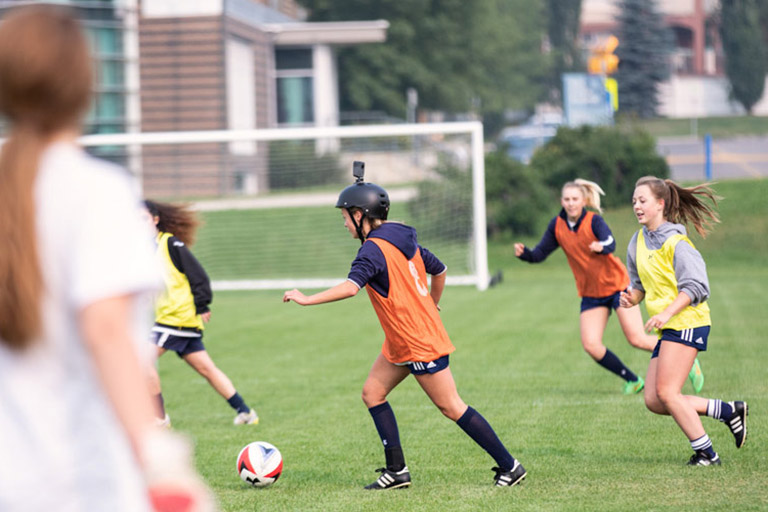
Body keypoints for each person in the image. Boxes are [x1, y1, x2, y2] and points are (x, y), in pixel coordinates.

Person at [0, 5, 213, 511]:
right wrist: (162, 461)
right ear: (84, 86)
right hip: (84, 481)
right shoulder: (97, 191)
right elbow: (106, 332)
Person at [283, 166, 526, 489]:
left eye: (345, 216)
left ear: (361, 215)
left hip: (418, 341)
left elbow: (350, 288)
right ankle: (396, 471)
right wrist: (432, 304)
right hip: (401, 340)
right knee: (373, 393)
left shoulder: (372, 249)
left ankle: (511, 466)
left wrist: (306, 299)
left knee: (451, 406)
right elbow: (439, 271)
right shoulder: (401, 239)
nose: (343, 222)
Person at [514, 179, 704, 394]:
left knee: (637, 339)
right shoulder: (557, 226)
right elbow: (539, 254)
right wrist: (525, 254)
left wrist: (600, 246)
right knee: (591, 345)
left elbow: (610, 243)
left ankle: (686, 359)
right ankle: (633, 380)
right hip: (591, 293)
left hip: (617, 286)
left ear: (584, 200)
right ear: (561, 201)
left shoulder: (594, 221)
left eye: (575, 199)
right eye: (567, 199)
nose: (571, 203)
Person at [619, 176, 747, 466]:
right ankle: (727, 411)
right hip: (669, 326)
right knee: (654, 400)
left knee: (667, 392)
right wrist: (632, 298)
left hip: (688, 321)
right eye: (634, 201)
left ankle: (707, 453)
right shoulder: (637, 241)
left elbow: (696, 287)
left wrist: (665, 313)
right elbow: (639, 285)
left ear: (660, 204)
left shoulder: (678, 243)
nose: (637, 206)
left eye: (643, 201)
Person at [144, 200, 258, 426]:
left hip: (177, 319)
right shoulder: (144, 251)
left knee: (139, 360)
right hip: (173, 320)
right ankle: (246, 413)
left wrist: (202, 304)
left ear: (155, 219)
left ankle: (159, 418)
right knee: (207, 369)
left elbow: (199, 276)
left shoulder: (170, 243)